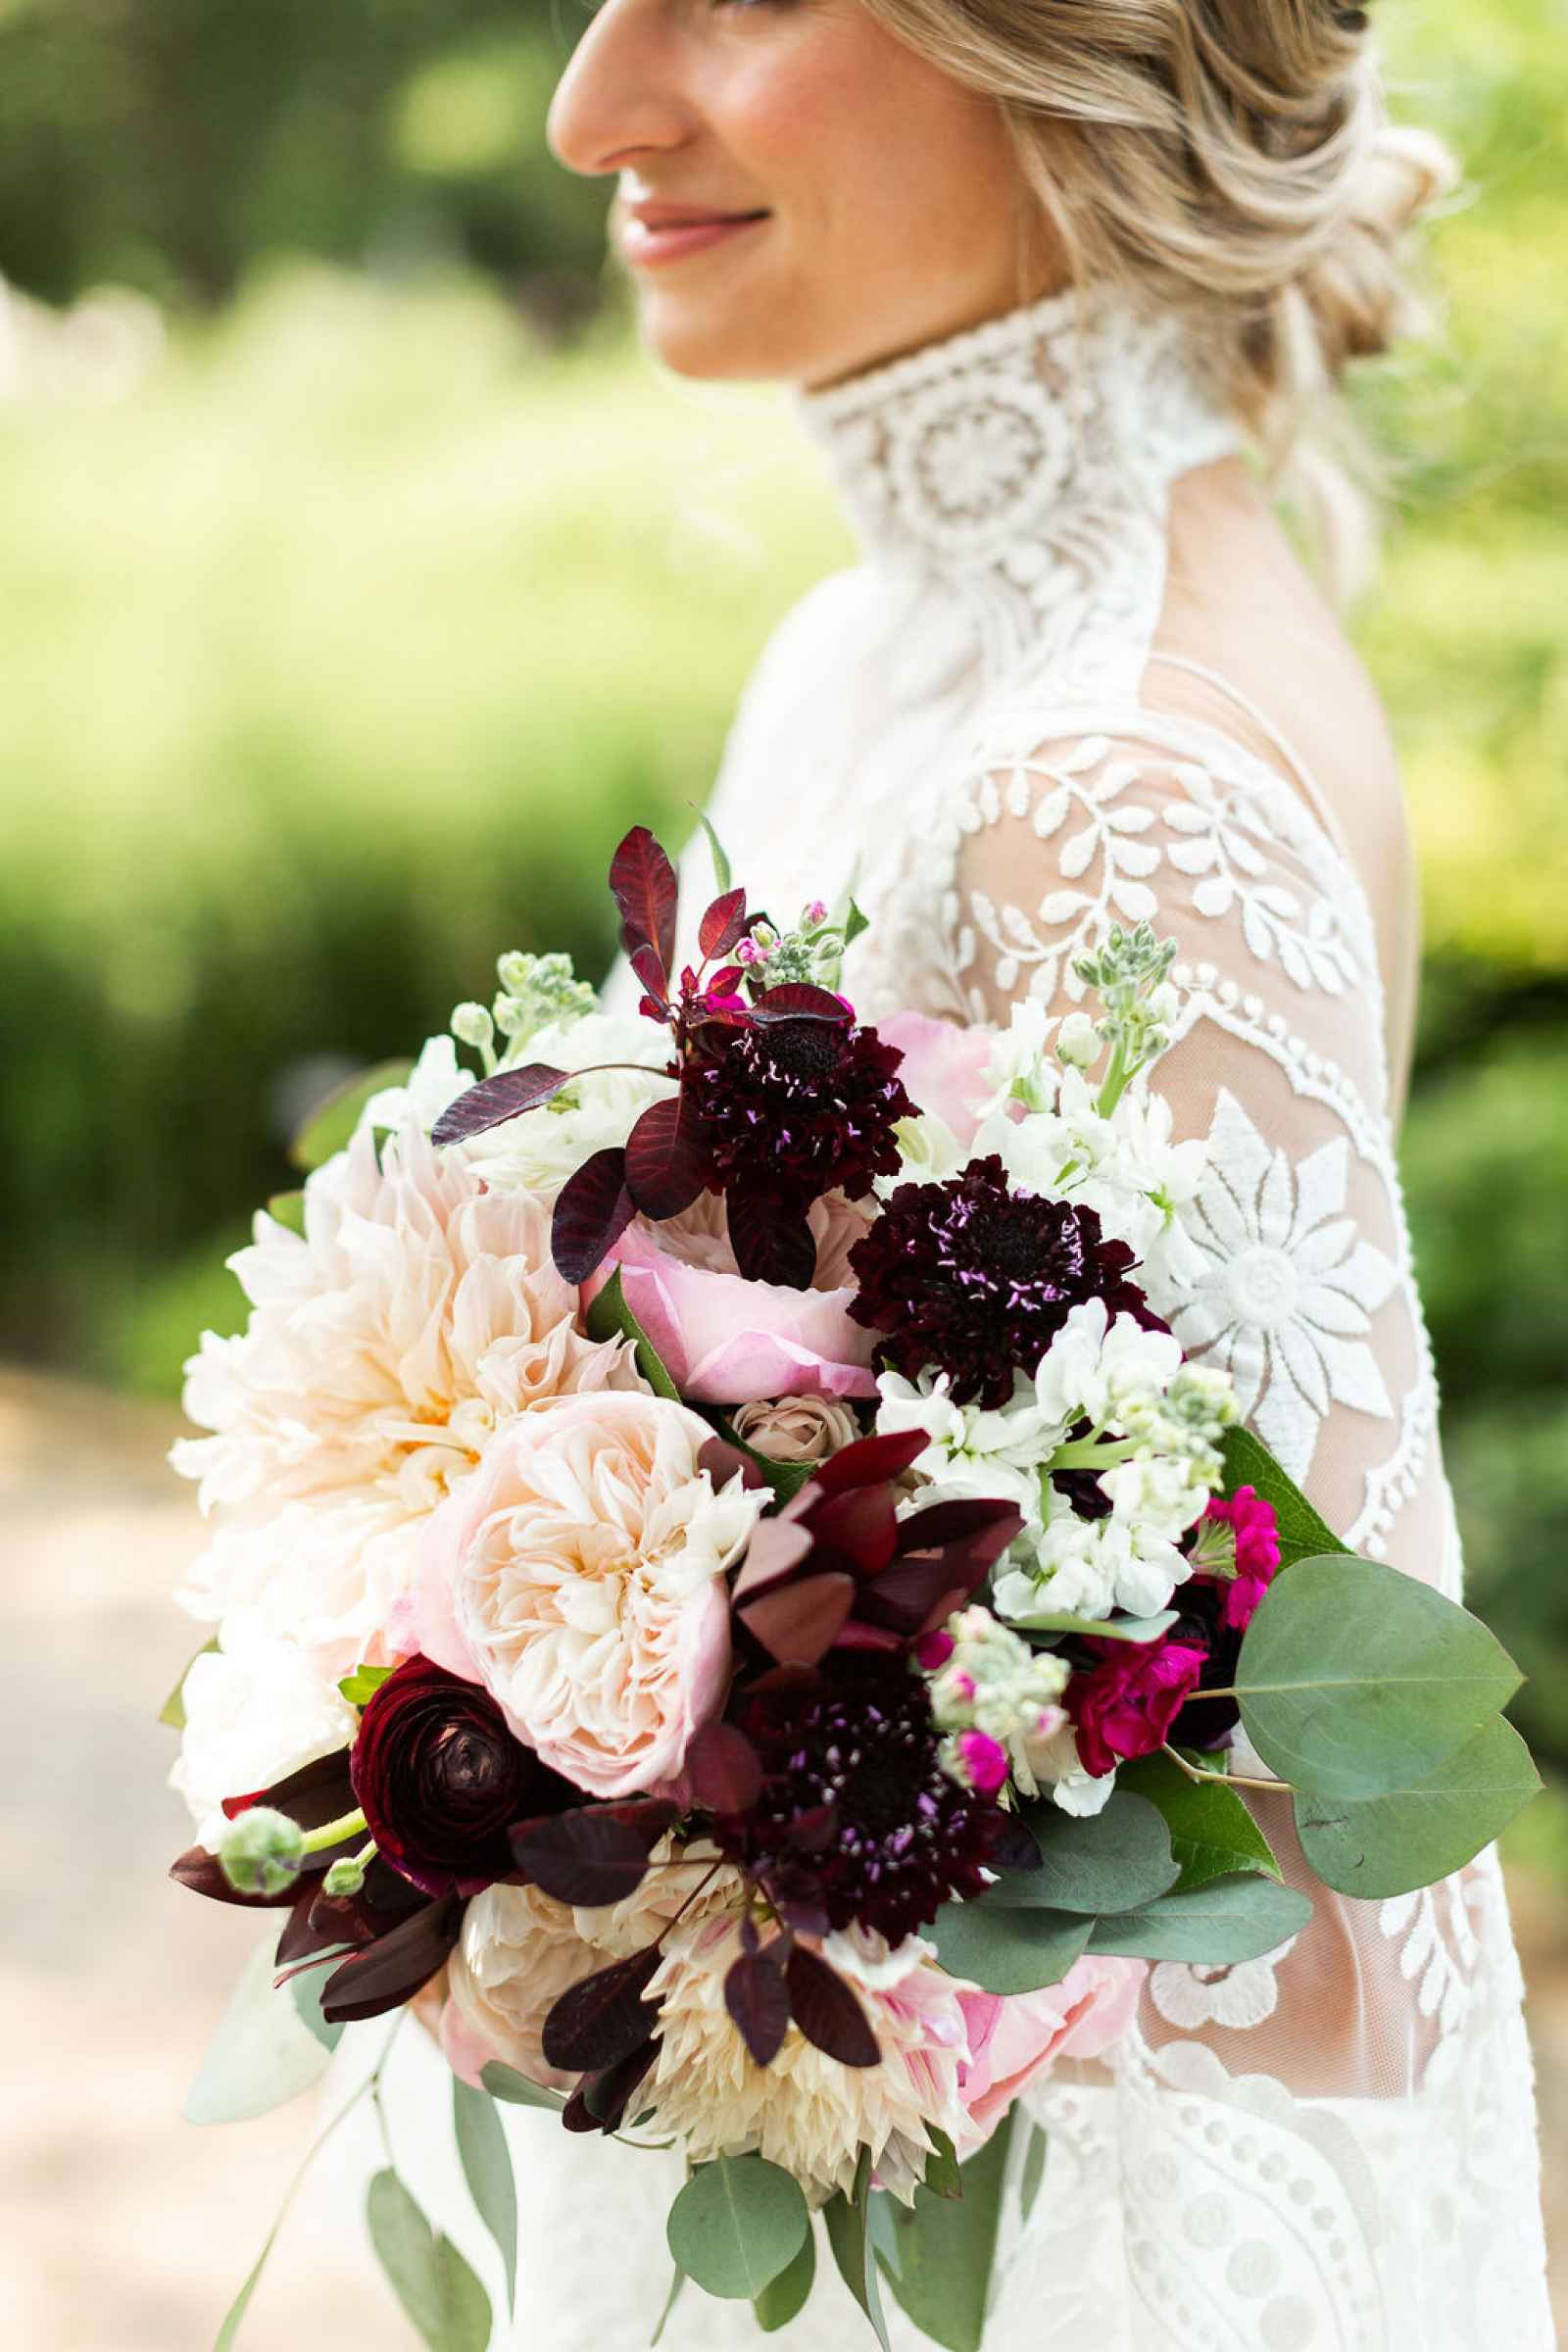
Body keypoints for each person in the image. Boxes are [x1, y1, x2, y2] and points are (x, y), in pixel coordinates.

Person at [327, 5, 1552, 2345]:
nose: (592, 106)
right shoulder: (881, 652)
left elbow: (1299, 1958)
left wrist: (705, 1864)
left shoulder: (1120, 788)